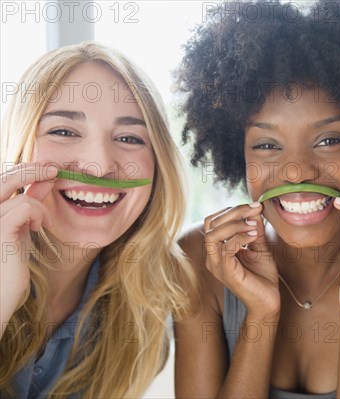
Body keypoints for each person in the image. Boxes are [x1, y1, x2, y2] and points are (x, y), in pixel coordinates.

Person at [175, 0, 340, 397]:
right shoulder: (200, 256)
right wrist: (262, 315)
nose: (296, 172)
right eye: (267, 144)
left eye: (328, 140)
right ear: (240, 153)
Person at [0, 41, 195, 397]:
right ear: (19, 145)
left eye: (129, 137)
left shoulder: (144, 308)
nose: (99, 166)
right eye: (63, 131)